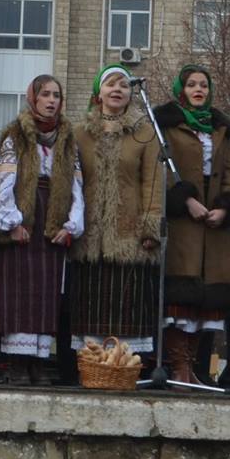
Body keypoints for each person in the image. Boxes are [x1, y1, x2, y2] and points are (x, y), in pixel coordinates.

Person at [63, 63, 164, 373]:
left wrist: (150, 227)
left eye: (123, 85)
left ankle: (123, 371)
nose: (117, 90)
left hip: (128, 234)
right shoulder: (79, 133)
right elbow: (69, 182)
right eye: (111, 84)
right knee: (90, 305)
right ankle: (92, 371)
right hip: (89, 236)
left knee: (126, 305)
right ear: (99, 93)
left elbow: (152, 183)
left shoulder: (145, 133)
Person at [153, 64, 230, 386]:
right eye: (192, 84)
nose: (198, 90)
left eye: (203, 85)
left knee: (209, 299)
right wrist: (185, 200)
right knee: (182, 294)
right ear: (182, 90)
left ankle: (192, 366)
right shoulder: (167, 126)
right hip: (184, 222)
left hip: (212, 221)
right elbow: (161, 169)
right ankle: (179, 366)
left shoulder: (220, 129)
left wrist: (225, 207)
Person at [0, 74, 84, 384]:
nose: (51, 101)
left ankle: (38, 364)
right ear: (33, 98)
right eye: (45, 94)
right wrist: (12, 222)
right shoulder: (15, 136)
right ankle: (18, 364)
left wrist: (71, 225)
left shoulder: (67, 140)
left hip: (52, 223)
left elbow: (76, 186)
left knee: (46, 294)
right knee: (19, 292)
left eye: (56, 95)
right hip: (25, 219)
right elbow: (5, 180)